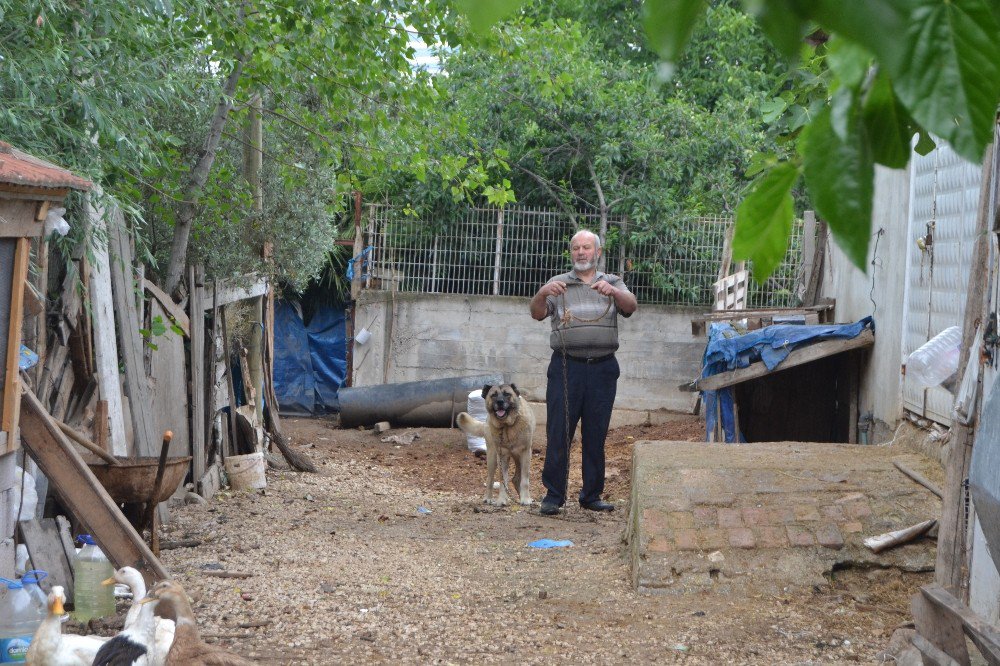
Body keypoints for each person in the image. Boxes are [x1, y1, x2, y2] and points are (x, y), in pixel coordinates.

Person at [530, 229, 637, 516]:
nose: (581, 252)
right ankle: (553, 496)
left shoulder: (612, 282)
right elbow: (537, 313)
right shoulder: (558, 284)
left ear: (597, 253)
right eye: (576, 248)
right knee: (558, 431)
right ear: (571, 253)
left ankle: (591, 495)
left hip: (602, 368)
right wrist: (542, 293)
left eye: (586, 247)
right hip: (566, 366)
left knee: (595, 433)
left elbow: (631, 306)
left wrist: (613, 292)